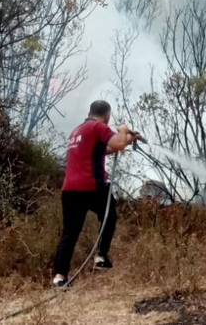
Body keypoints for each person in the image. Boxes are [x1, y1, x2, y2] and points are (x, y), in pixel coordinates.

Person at [52, 100, 139, 287]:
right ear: (107, 117)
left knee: (70, 233)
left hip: (70, 190)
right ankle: (100, 256)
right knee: (110, 216)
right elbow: (117, 142)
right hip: (92, 185)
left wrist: (128, 140)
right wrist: (123, 129)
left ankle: (60, 277)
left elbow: (104, 150)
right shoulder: (98, 127)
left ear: (89, 112)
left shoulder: (77, 131)